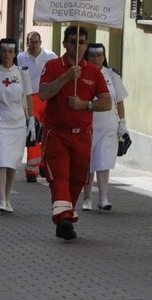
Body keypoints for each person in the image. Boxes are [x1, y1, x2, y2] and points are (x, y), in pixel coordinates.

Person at [37, 25, 111, 241]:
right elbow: (43, 93)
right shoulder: (52, 66)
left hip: (83, 135)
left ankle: (66, 213)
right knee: (59, 175)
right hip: (57, 133)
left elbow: (106, 103)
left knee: (78, 178)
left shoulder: (94, 71)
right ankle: (64, 220)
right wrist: (66, 77)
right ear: (64, 44)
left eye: (81, 42)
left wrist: (85, 105)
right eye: (72, 41)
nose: (76, 46)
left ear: (86, 45)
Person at [0, 40, 33, 214]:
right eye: (4, 51)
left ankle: (8, 197)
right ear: (0, 53)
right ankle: (1, 199)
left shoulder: (22, 73)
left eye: (11, 51)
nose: (7, 54)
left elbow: (28, 97)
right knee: (1, 160)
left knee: (12, 162)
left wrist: (32, 121)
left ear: (15, 54)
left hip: (17, 120)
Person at [80, 42, 127, 212]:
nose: (96, 59)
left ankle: (103, 198)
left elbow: (119, 100)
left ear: (104, 57)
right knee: (88, 161)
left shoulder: (112, 75)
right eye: (92, 55)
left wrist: (123, 124)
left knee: (103, 160)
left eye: (99, 56)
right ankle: (87, 198)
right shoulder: (82, 74)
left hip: (108, 125)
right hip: (89, 123)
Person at [16, 30, 58, 182]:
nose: (34, 45)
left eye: (36, 42)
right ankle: (32, 170)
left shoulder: (51, 56)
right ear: (26, 43)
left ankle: (43, 165)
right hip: (29, 99)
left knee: (47, 133)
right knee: (32, 132)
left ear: (41, 42)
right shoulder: (20, 58)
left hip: (46, 98)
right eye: (31, 42)